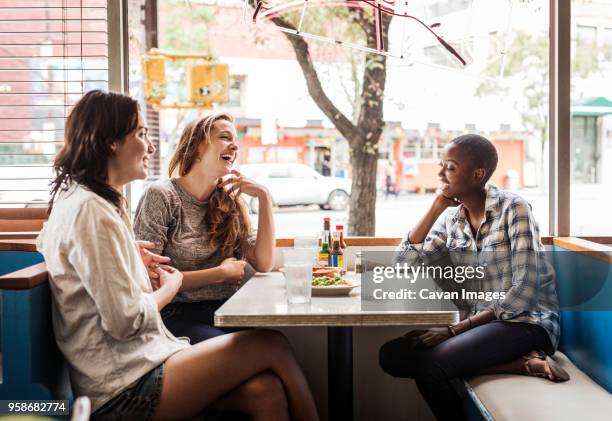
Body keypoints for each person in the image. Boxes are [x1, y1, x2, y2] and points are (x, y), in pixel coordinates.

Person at [37, 90, 318, 421]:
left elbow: (62, 252)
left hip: (144, 362)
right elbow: (125, 321)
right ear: (112, 141)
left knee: (265, 392)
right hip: (122, 388)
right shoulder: (93, 211)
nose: (151, 146)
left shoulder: (86, 203)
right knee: (271, 344)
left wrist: (128, 257)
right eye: (141, 134)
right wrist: (172, 285)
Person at [378, 134, 568, 421]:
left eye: (450, 167)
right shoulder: (451, 219)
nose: (440, 173)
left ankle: (528, 356)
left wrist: (455, 330)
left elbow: (524, 293)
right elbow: (403, 264)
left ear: (478, 174)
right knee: (390, 355)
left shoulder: (514, 209)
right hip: (483, 325)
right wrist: (435, 207)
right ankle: (521, 364)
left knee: (432, 368)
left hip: (527, 322)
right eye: (441, 166)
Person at [133, 113, 274, 344]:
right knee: (259, 350)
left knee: (268, 364)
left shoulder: (232, 201)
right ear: (198, 147)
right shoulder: (162, 196)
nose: (235, 145)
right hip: (176, 314)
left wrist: (264, 197)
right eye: (225, 137)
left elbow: (264, 262)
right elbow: (151, 279)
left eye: (235, 139)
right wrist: (220, 275)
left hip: (227, 311)